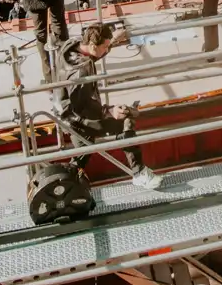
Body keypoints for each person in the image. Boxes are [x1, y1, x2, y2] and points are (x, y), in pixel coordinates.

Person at [58, 23, 161, 190]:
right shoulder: (82, 71)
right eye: (105, 47)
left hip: (66, 114)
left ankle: (65, 185)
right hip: (79, 119)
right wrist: (109, 111)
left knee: (83, 153)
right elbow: (81, 106)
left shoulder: (71, 45)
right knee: (124, 121)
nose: (106, 51)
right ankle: (139, 173)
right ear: (92, 45)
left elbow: (93, 54)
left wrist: (112, 41)